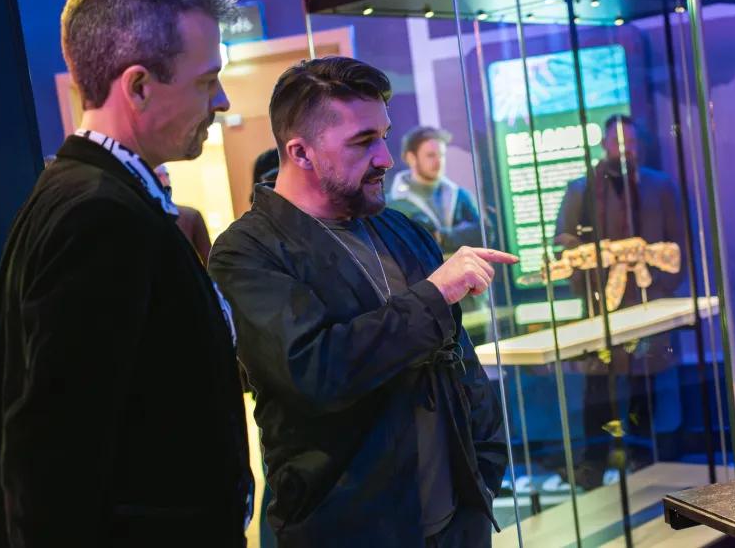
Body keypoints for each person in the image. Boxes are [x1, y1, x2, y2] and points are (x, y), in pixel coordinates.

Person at [0, 0, 252, 547]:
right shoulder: (100, 217)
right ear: (140, 87)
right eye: (208, 80)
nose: (223, 101)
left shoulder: (90, 196)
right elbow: (47, 469)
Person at [207, 57, 514, 547]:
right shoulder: (247, 253)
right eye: (363, 141)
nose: (386, 158)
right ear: (301, 152)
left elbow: (460, 365)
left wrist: (484, 465)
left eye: (384, 135)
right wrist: (434, 295)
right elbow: (316, 370)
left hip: (457, 524)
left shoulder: (401, 230)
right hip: (349, 531)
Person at [554, 115, 686, 490]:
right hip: (601, 306)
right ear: (605, 145)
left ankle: (645, 462)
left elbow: (679, 243)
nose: (625, 147)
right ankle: (593, 466)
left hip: (647, 302)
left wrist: (660, 286)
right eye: (618, 141)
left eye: (631, 141)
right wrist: (592, 263)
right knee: (598, 389)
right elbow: (563, 242)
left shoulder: (659, 187)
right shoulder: (581, 190)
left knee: (645, 387)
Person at [387, 126, 482, 255]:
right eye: (431, 156)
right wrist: (458, 236)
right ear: (411, 158)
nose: (438, 162)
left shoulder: (461, 196)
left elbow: (483, 234)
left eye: (441, 155)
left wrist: (440, 237)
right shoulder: (392, 204)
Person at [156, 164, 213, 264]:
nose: (166, 181)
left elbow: (209, 262)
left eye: (166, 175)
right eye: (158, 176)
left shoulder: (190, 216)